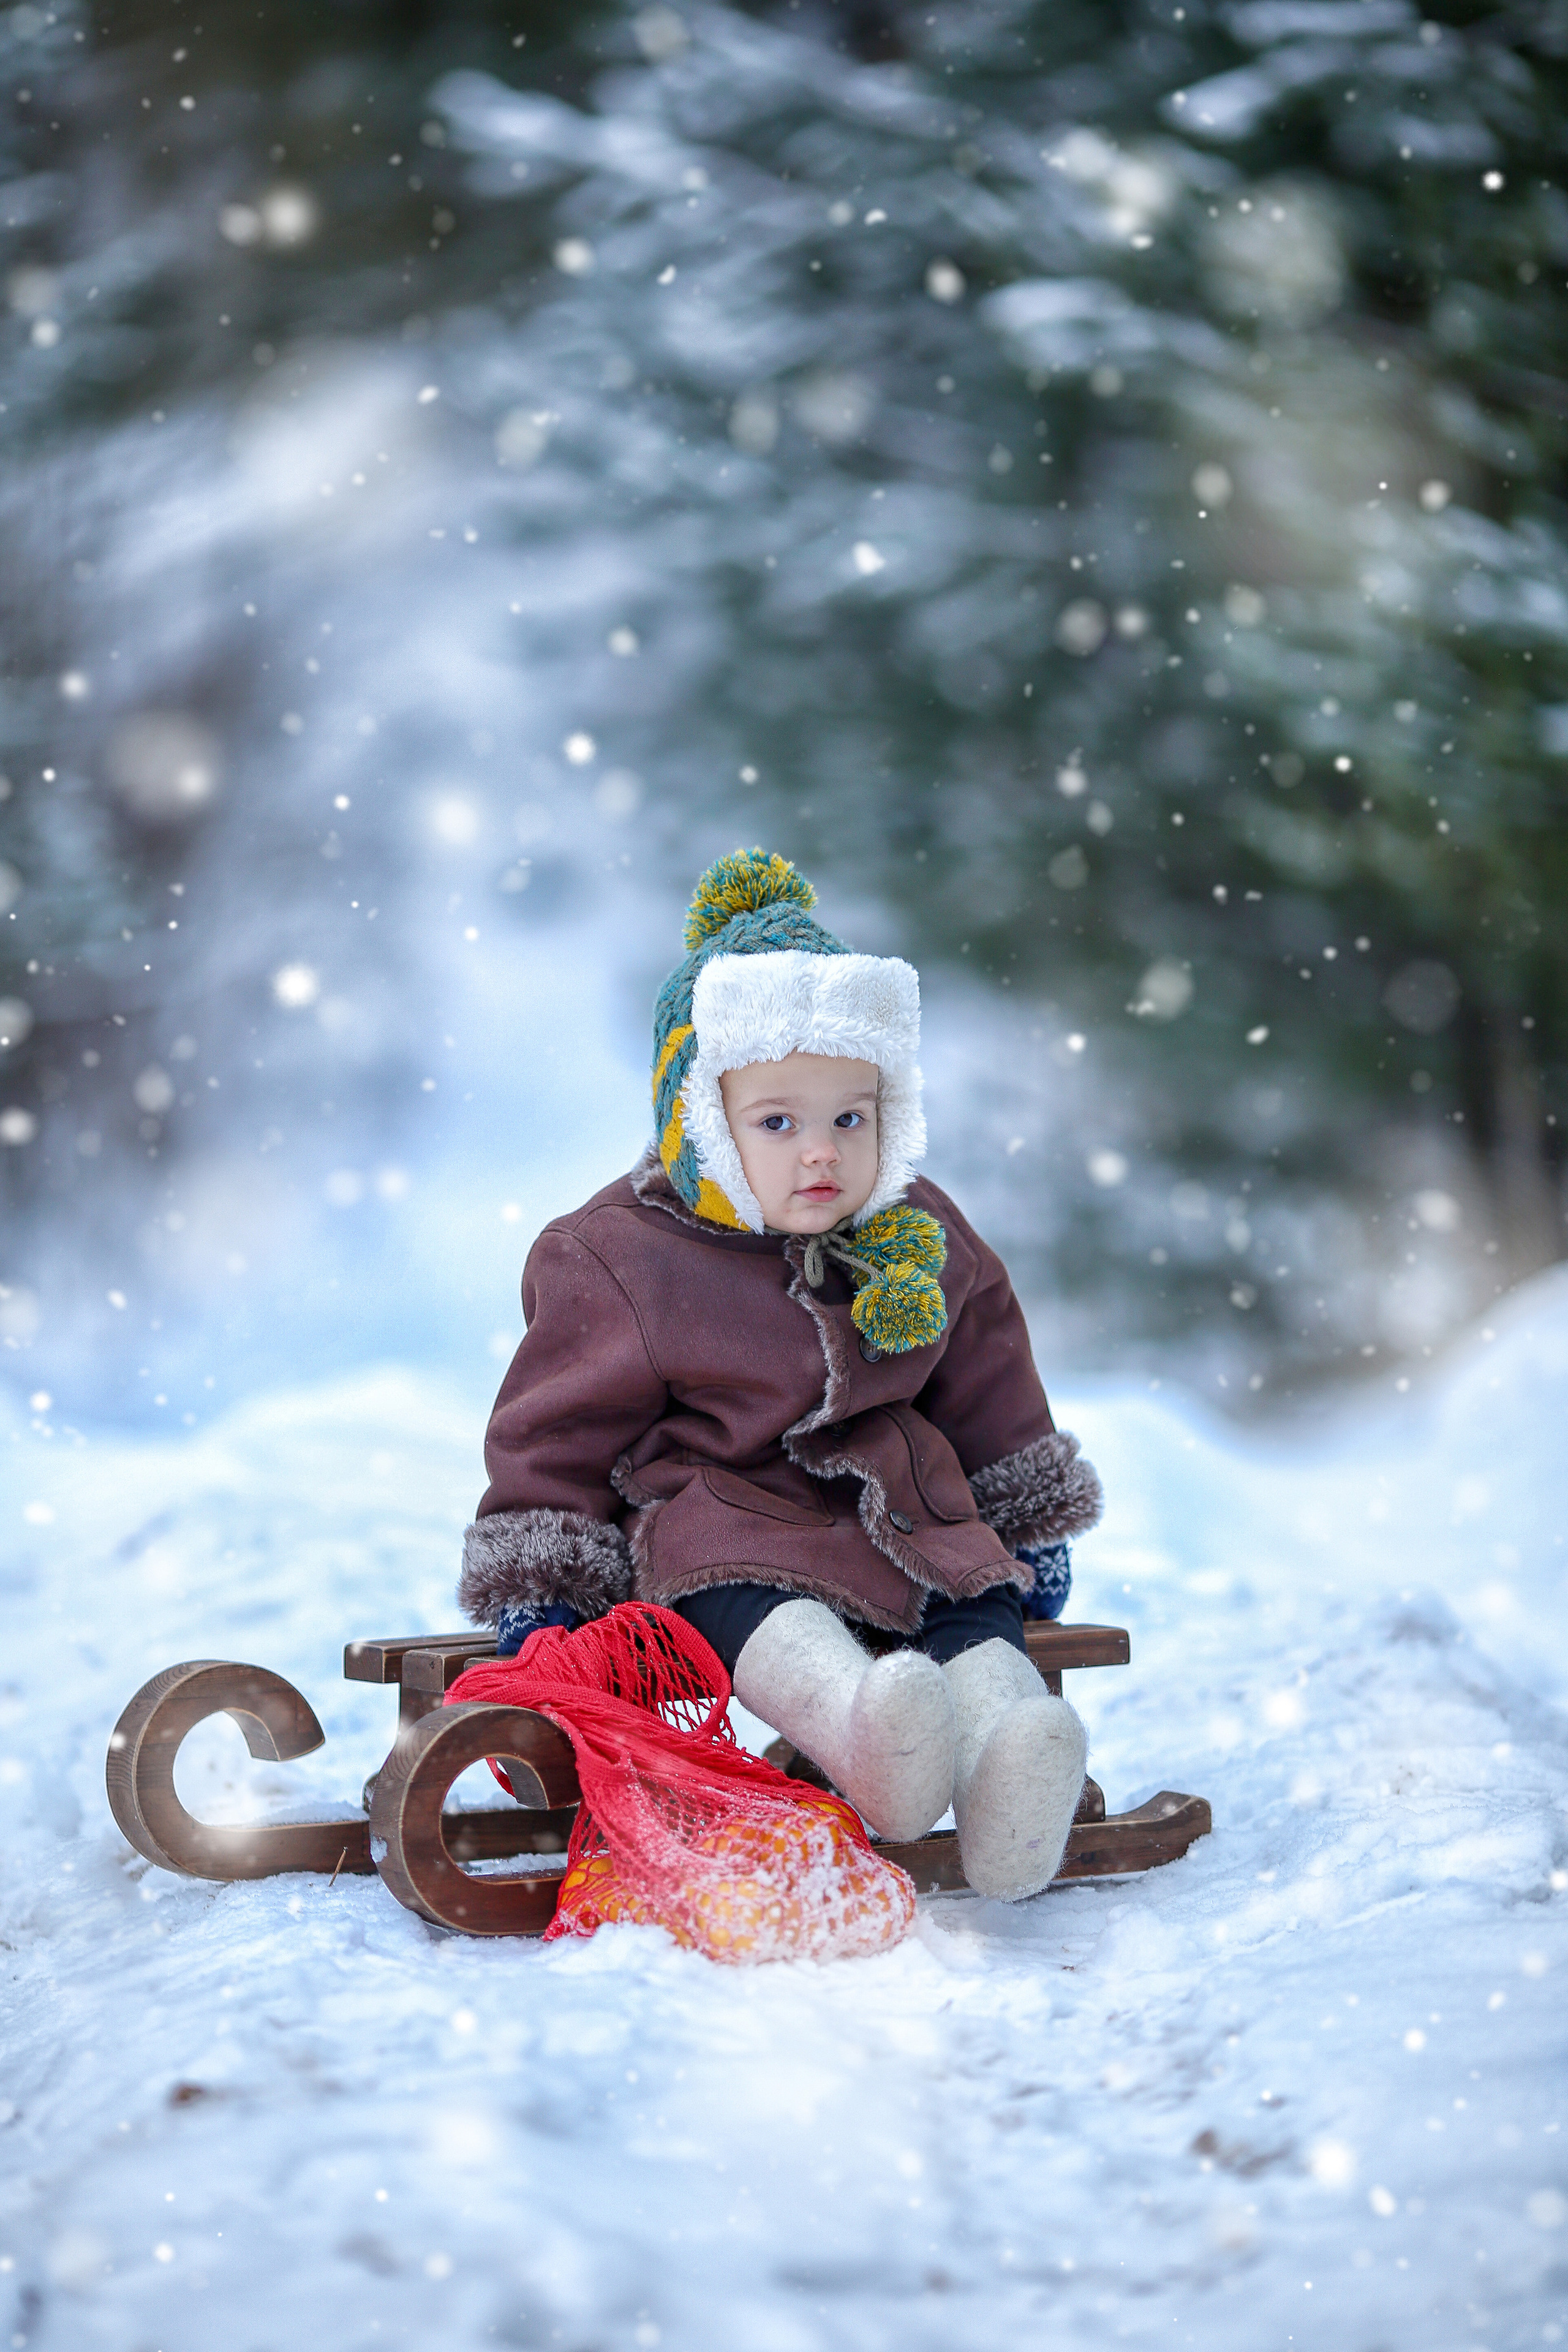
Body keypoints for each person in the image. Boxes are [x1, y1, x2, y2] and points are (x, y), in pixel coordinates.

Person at [458, 850, 1103, 1901]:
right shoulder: (625, 1256)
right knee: (759, 1611)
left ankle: (1010, 1760)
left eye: (851, 1118)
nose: (822, 1155)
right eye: (776, 1123)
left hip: (910, 1519)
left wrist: (1020, 1523)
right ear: (701, 1126)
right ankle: (869, 1739)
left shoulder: (921, 1234)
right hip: (727, 1533)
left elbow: (989, 1386)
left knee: (973, 1609)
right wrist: (546, 1590)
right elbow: (554, 1434)